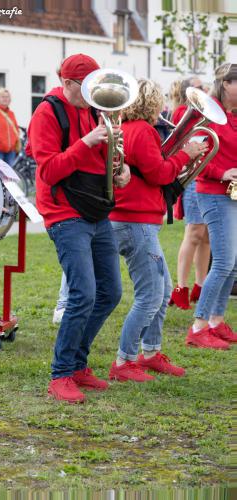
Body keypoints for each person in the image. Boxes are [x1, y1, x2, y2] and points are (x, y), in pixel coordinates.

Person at [27, 53, 130, 403]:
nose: (91, 96)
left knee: (111, 292)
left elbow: (101, 161)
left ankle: (77, 366)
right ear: (67, 83)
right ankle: (60, 374)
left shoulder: (92, 109)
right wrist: (86, 142)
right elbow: (49, 171)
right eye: (85, 89)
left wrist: (120, 169)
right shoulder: (47, 112)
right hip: (63, 212)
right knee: (83, 294)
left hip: (94, 209)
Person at [108, 79, 208, 382]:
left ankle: (150, 353)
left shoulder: (133, 129)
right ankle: (124, 360)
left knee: (162, 290)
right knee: (150, 295)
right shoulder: (143, 131)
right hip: (135, 220)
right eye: (159, 101)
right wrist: (186, 154)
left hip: (137, 219)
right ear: (151, 104)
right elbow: (161, 174)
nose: (162, 106)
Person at [186, 63, 237, 349]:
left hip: (231, 194)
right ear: (227, 84)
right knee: (224, 263)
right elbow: (195, 157)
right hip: (214, 194)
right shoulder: (210, 112)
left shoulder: (231, 114)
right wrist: (222, 173)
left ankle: (216, 321)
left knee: (232, 265)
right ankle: (198, 326)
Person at [168, 77, 211, 310]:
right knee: (194, 233)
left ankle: (200, 285)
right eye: (200, 87)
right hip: (195, 178)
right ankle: (180, 288)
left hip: (207, 175)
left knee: (206, 237)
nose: (206, 89)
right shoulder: (184, 112)